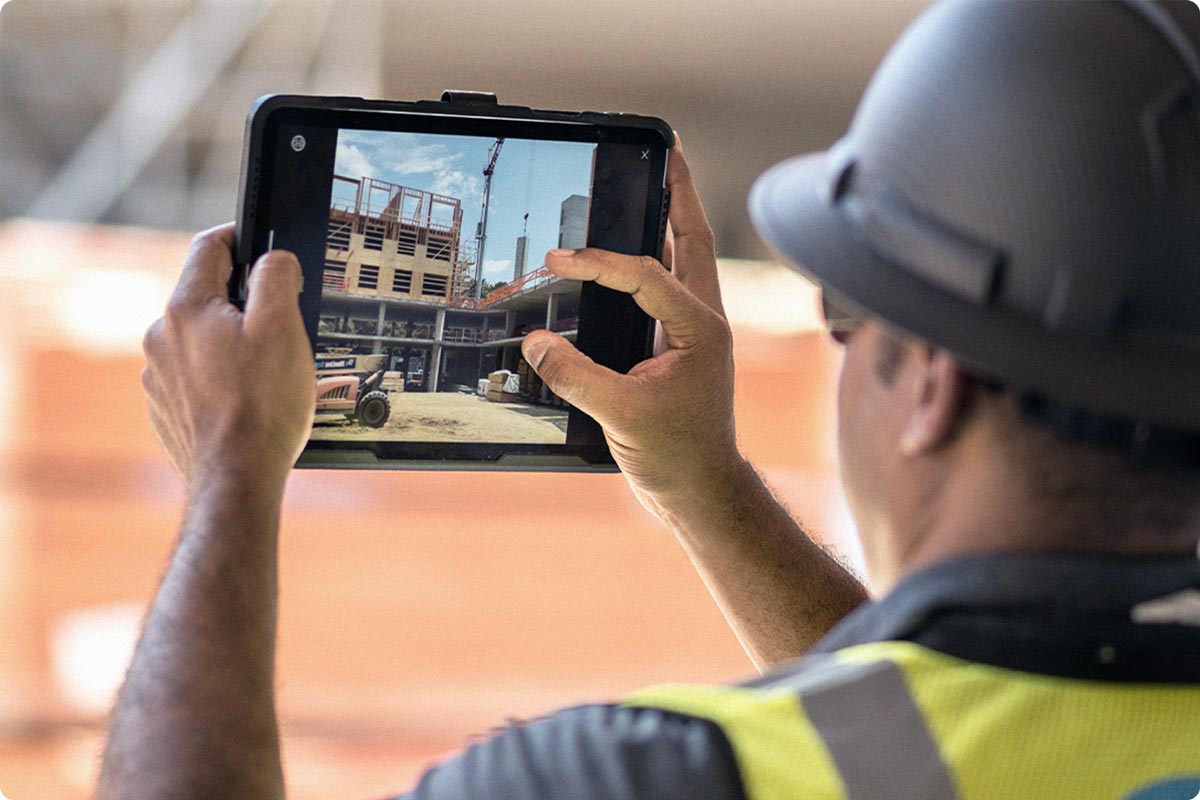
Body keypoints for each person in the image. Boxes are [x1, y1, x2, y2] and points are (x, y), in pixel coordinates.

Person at [96, 1, 1200, 798]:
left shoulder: (629, 779)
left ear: (931, 387)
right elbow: (945, 708)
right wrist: (702, 482)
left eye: (848, 327)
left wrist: (233, 471)